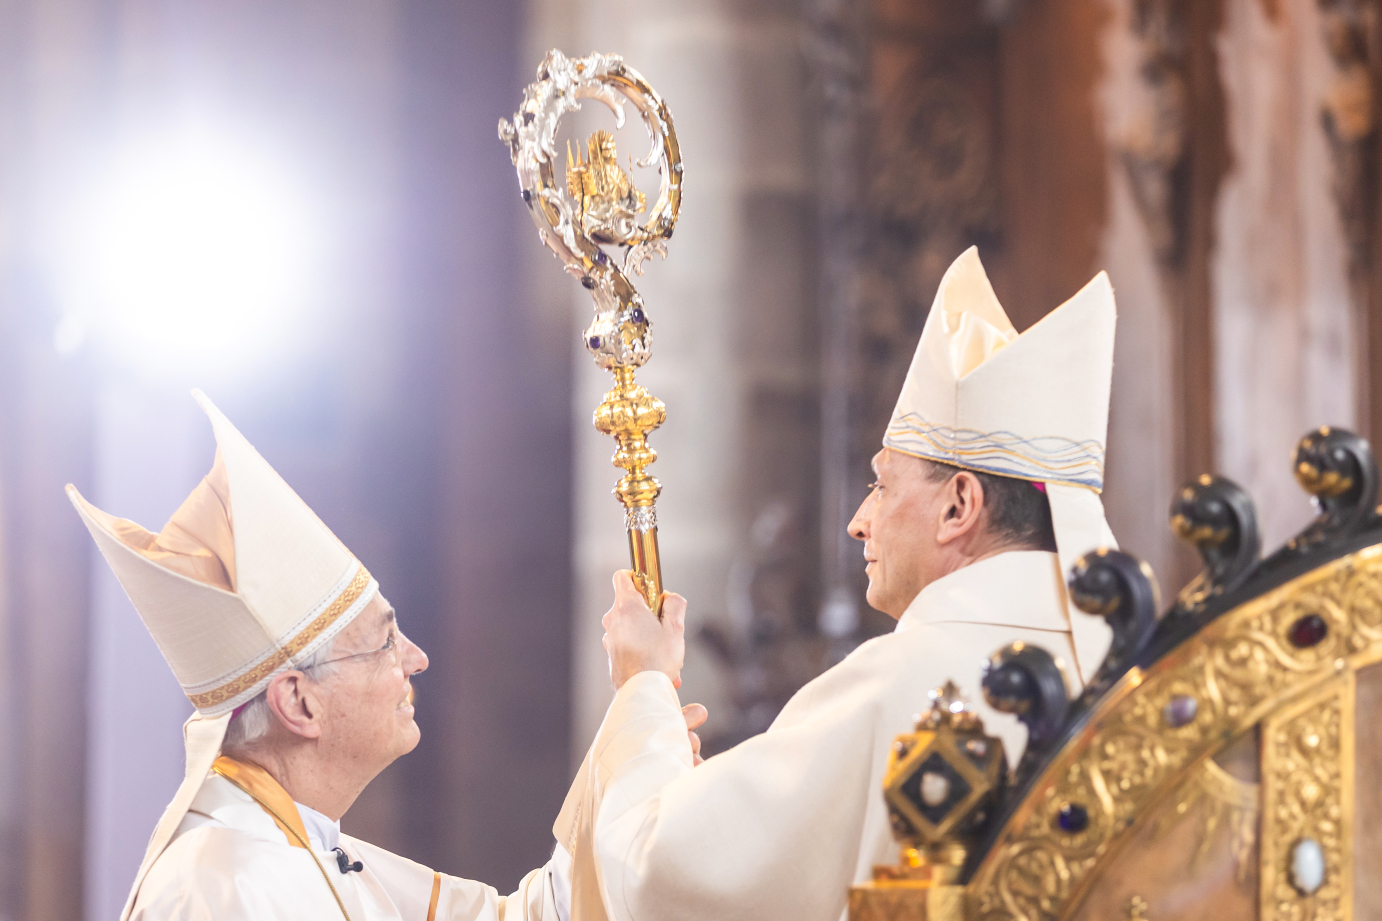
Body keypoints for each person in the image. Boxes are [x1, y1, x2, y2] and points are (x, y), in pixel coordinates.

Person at [554, 247, 1120, 921]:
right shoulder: (1126, 672)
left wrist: (643, 691)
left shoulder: (907, 685)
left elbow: (653, 874)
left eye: (882, 484)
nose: (859, 521)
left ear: (958, 506)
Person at [70, 392, 688, 921]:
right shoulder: (222, 886)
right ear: (298, 702)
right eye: (384, 641)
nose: (416, 659)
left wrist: (636, 741)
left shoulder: (312, 856)